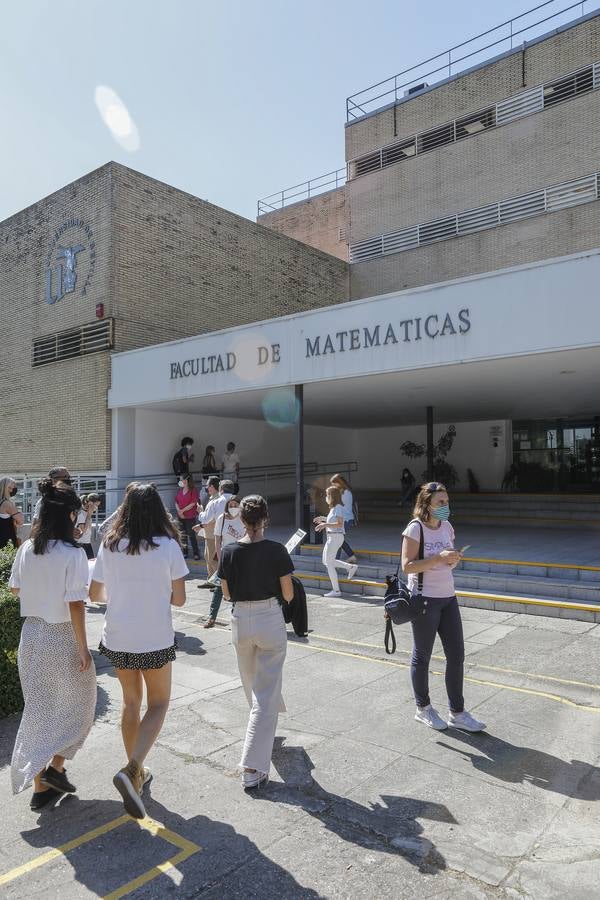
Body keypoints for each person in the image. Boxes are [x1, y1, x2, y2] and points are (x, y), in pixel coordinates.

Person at [89, 482, 188, 819]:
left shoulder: (111, 543)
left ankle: (137, 774)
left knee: (131, 703)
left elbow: (95, 594)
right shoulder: (167, 546)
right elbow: (180, 599)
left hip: (117, 635)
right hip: (154, 636)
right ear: (157, 509)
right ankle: (133, 770)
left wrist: (121, 596)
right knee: (158, 703)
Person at [8, 478, 96, 810]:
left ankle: (41, 783)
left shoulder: (26, 549)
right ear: (69, 516)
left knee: (40, 711)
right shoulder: (72, 554)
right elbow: (76, 604)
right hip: (62, 638)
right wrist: (83, 647)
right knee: (82, 706)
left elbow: (16, 590)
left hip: (31, 636)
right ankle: (55, 768)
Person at [218, 495, 294, 789]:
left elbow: (225, 593)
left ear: (242, 520)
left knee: (252, 683)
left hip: (240, 619)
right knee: (265, 690)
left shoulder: (228, 551)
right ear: (265, 519)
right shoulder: (277, 551)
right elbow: (288, 595)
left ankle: (264, 728)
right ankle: (252, 766)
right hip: (269, 617)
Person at [401, 481, 486, 733]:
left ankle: (457, 712)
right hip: (425, 600)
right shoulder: (415, 529)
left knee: (457, 656)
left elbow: (446, 561)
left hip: (448, 597)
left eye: (447, 502)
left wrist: (452, 560)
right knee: (422, 656)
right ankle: (423, 709)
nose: (445, 506)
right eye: (440, 502)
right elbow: (407, 566)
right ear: (426, 504)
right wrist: (438, 558)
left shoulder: (447, 527)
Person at [204, 495, 246, 628]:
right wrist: (220, 555)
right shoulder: (221, 519)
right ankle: (212, 617)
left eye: (236, 505)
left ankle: (236, 615)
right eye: (231, 505)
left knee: (238, 586)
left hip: (240, 557)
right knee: (219, 588)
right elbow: (217, 539)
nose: (233, 507)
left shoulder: (245, 519)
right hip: (226, 556)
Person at [314, 486, 358, 598]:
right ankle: (350, 567)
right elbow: (333, 520)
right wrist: (323, 519)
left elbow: (339, 524)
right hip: (332, 538)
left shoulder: (338, 507)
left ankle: (336, 591)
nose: (325, 497)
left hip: (335, 538)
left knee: (329, 563)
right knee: (326, 561)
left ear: (332, 496)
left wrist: (325, 524)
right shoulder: (333, 508)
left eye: (327, 495)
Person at [194, 478, 235, 587]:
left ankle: (219, 583)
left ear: (220, 489)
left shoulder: (217, 501)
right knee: (212, 557)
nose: (207, 488)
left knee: (214, 559)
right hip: (233, 534)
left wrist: (200, 512)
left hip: (216, 534)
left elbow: (207, 518)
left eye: (208, 485)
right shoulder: (237, 501)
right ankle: (214, 581)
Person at [330, 474, 357, 564]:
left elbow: (336, 505)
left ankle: (339, 559)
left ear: (339, 483)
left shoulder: (344, 493)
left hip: (345, 520)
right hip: (345, 519)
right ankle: (339, 559)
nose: (333, 486)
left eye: (334, 484)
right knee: (338, 539)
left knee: (337, 539)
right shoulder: (345, 492)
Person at [175, 474, 201, 560]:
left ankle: (196, 553)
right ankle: (185, 552)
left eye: (181, 479)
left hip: (190, 516)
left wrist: (182, 511)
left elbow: (193, 503)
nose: (180, 481)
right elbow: (176, 501)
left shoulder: (193, 490)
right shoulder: (180, 490)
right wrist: (179, 511)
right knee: (183, 535)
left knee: (191, 535)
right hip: (180, 517)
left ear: (186, 480)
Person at [0, 476, 24, 549]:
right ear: (4, 488)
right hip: (7, 542)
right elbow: (21, 521)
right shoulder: (7, 504)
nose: (11, 491)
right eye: (9, 488)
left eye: (13, 488)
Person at [75, 492, 101, 560]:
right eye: (96, 505)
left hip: (87, 543)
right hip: (81, 544)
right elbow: (84, 530)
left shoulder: (86, 513)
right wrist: (89, 514)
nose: (96, 508)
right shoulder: (80, 513)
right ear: (90, 503)